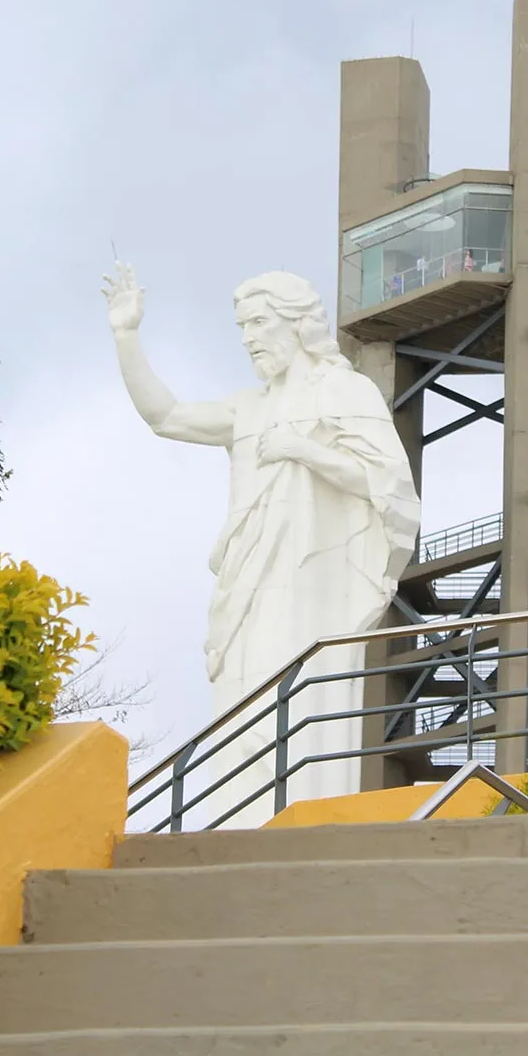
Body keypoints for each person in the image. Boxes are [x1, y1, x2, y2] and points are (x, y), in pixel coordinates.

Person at [103, 263, 419, 825]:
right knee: (240, 708)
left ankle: (306, 817)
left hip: (314, 581)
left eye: (257, 323)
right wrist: (127, 336)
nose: (248, 338)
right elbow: (166, 416)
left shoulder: (348, 392)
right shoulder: (246, 409)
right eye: (241, 326)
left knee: (305, 695)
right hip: (248, 582)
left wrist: (303, 448)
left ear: (296, 325)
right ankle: (238, 820)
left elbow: (387, 485)